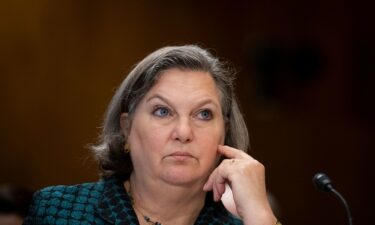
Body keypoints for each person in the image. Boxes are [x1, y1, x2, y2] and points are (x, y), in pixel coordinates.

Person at [24, 45, 280, 225]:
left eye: (203, 114)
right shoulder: (57, 212)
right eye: (162, 111)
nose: (183, 132)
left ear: (224, 133)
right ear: (126, 128)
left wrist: (261, 218)